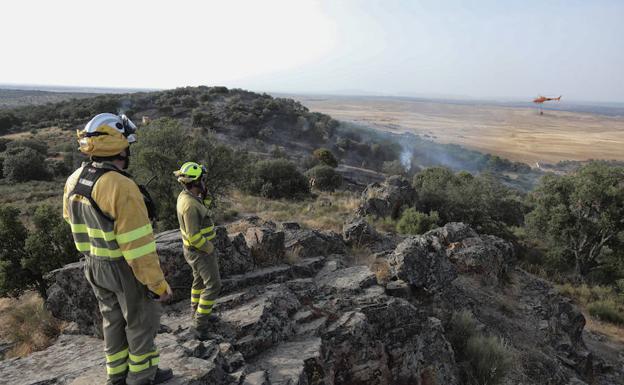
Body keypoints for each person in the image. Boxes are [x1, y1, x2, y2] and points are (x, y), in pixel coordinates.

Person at [63, 113, 174, 385]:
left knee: (112, 322)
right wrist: (157, 284)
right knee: (141, 324)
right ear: (120, 148)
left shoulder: (75, 179)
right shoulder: (121, 186)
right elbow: (138, 246)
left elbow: (71, 219)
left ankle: (116, 376)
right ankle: (141, 377)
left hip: (93, 265)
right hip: (124, 268)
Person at [174, 162, 221, 339]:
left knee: (199, 282)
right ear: (196, 182)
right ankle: (200, 325)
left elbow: (204, 213)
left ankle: (197, 313)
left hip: (194, 251)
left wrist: (206, 197)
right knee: (213, 285)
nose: (204, 181)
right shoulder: (190, 205)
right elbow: (194, 236)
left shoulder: (189, 197)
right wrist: (210, 248)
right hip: (200, 251)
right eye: (202, 179)